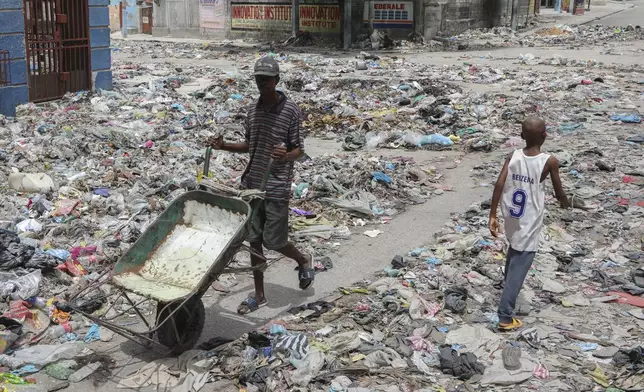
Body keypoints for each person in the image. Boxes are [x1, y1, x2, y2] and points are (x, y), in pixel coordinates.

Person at [206, 57, 314, 315]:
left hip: (276, 185)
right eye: (258, 79)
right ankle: (259, 295)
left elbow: (300, 150)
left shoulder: (290, 111)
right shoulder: (253, 112)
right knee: (254, 242)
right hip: (251, 184)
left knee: (274, 242)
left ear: (277, 80)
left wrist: (286, 156)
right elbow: (250, 145)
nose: (262, 83)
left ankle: (302, 259)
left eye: (266, 79)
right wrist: (224, 147)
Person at [489, 117, 570, 331]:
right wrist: (566, 204)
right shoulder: (549, 161)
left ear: (522, 136)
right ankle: (505, 316)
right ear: (545, 135)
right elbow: (558, 191)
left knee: (514, 254)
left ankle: (507, 291)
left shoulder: (513, 156)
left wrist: (492, 215)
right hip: (530, 219)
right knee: (521, 264)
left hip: (511, 215)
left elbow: (499, 184)